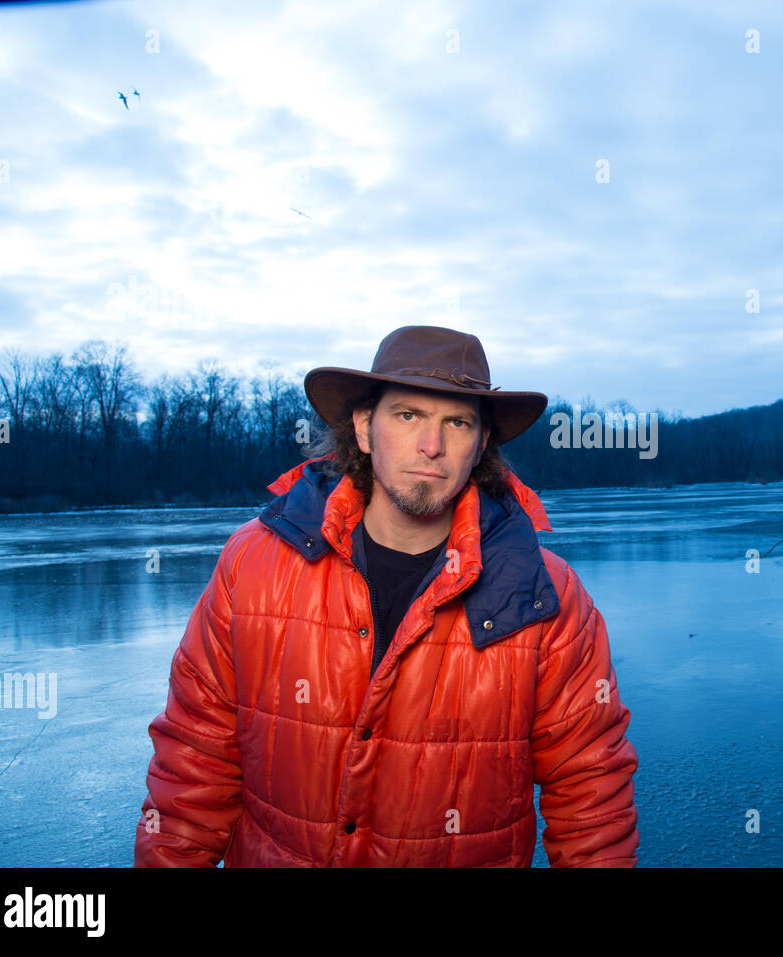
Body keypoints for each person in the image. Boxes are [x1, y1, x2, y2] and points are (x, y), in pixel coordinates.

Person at [134, 325, 639, 867]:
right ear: (364, 428)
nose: (432, 445)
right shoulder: (255, 563)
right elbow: (196, 757)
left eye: (457, 422)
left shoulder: (545, 595)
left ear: (481, 444)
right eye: (408, 416)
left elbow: (590, 793)